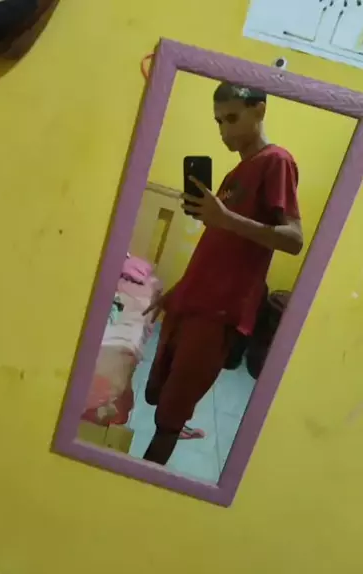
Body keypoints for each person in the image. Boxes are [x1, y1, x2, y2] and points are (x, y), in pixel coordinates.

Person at [142, 82, 304, 466]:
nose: (224, 131)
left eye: (232, 118)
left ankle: (134, 486)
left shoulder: (277, 162)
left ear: (259, 110)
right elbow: (218, 246)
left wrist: (226, 218)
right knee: (155, 395)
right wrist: (179, 290)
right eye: (218, 121)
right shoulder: (236, 171)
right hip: (192, 301)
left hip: (218, 313)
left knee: (169, 418)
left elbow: (294, 239)